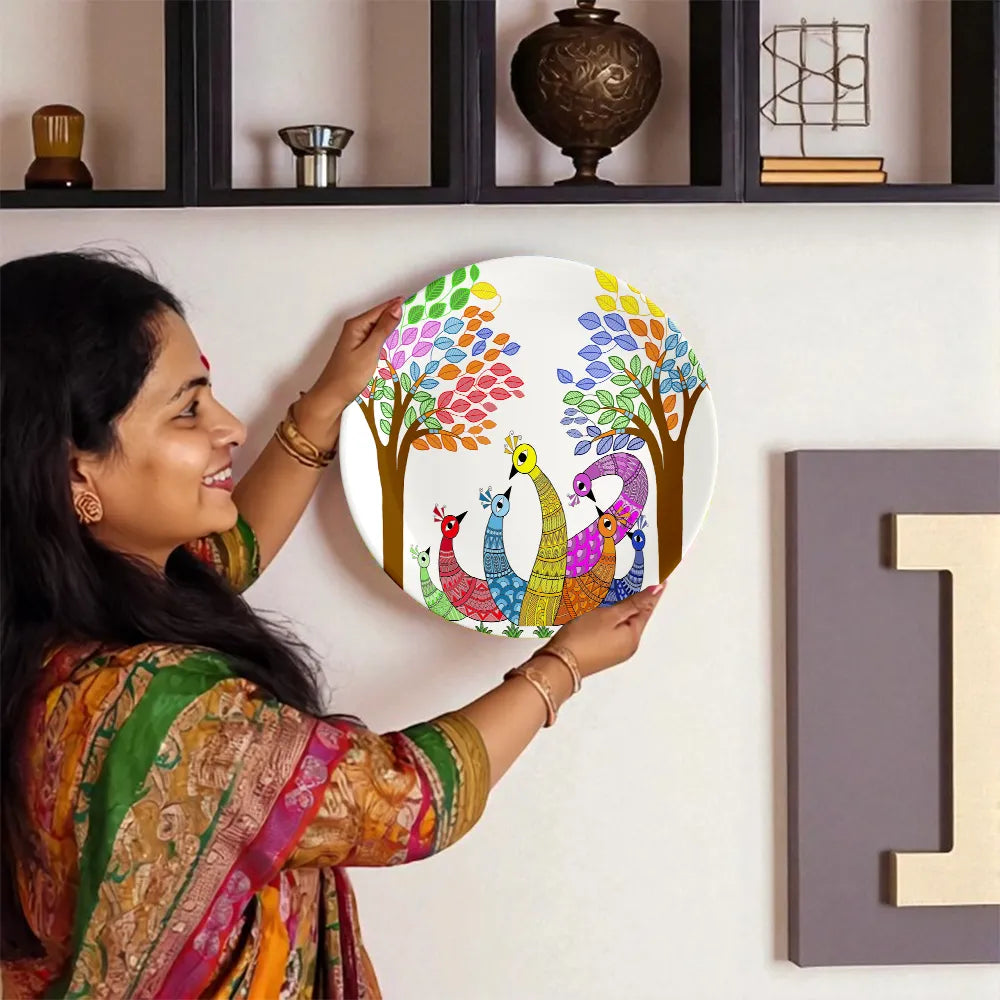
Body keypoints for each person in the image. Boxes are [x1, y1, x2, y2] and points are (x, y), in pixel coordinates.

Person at [0, 250, 664, 999]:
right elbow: (408, 800)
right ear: (76, 474)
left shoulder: (55, 636)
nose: (229, 426)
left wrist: (323, 405)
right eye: (187, 409)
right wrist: (564, 666)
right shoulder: (171, 707)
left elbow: (226, 553)